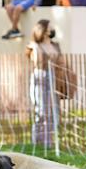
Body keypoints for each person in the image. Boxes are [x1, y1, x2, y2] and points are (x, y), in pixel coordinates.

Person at [26, 19, 62, 149]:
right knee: (41, 110)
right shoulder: (35, 45)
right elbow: (35, 62)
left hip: (53, 76)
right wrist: (36, 48)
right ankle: (37, 141)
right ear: (43, 29)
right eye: (49, 26)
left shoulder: (55, 45)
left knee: (52, 109)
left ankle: (49, 141)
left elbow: (60, 61)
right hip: (40, 76)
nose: (52, 28)